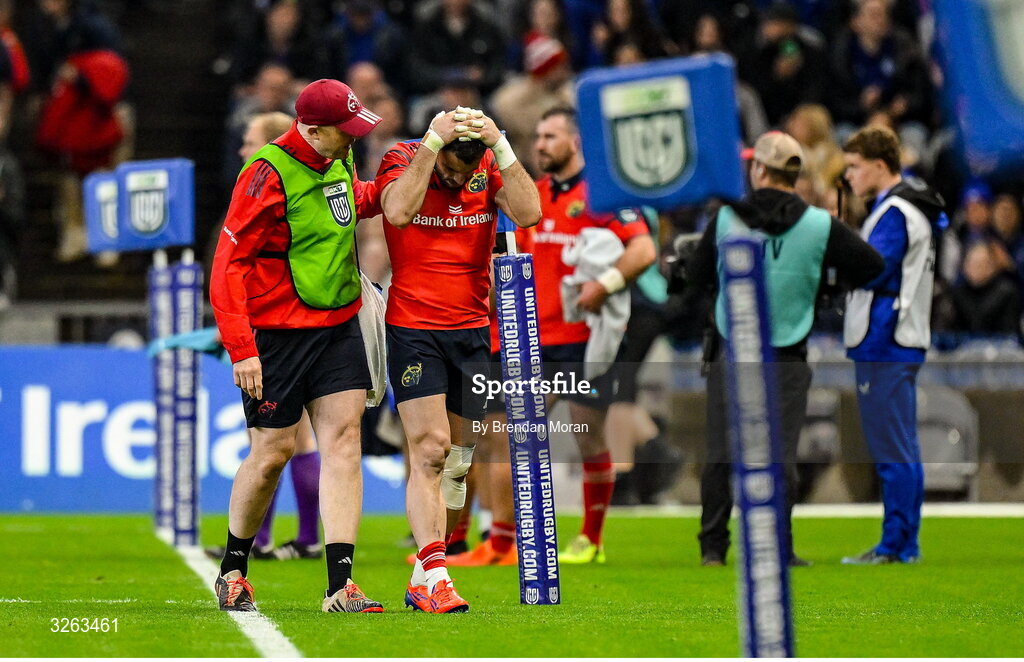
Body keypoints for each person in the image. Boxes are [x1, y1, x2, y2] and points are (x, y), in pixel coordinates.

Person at [451, 107, 656, 566]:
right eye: (538, 136)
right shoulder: (533, 196)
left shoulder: (604, 197)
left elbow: (643, 249)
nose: (540, 144)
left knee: (590, 439)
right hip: (528, 340)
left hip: (585, 339)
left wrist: (604, 285)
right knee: (504, 437)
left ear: (576, 142)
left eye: (551, 136)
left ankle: (590, 539)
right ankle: (502, 542)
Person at [209, 78, 385, 613]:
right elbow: (227, 266)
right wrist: (242, 348)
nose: (354, 138)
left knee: (345, 441)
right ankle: (234, 570)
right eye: (345, 130)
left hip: (337, 324)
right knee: (271, 455)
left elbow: (349, 203)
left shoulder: (339, 159)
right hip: (276, 334)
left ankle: (340, 584)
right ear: (310, 128)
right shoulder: (266, 173)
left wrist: (400, 183)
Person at [686, 130, 885, 568]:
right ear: (795, 176)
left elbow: (695, 276)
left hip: (732, 348)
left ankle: (714, 549)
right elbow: (873, 265)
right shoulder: (818, 223)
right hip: (787, 352)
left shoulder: (726, 218)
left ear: (759, 168)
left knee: (721, 453)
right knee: (780, 454)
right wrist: (827, 282)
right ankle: (778, 547)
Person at [376, 106, 541, 612]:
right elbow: (397, 212)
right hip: (413, 328)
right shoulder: (403, 159)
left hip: (471, 332)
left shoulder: (486, 168)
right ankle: (437, 574)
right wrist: (429, 148)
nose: (460, 176)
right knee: (429, 449)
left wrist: (501, 143)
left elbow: (530, 212)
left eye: (469, 168)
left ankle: (425, 574)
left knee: (459, 464)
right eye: (453, 165)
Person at [201, 111, 324, 563]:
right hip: (295, 324)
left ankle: (284, 539)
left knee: (274, 442)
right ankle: (289, 538)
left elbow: (238, 265)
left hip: (276, 327)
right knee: (286, 441)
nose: (242, 150)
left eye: (250, 141)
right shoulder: (277, 189)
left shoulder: (271, 189)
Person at [840, 125, 947, 565]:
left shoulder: (894, 213)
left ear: (879, 167)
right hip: (897, 339)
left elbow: (873, 269)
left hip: (885, 340)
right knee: (900, 445)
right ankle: (904, 542)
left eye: (854, 167)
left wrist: (838, 256)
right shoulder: (908, 209)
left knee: (892, 448)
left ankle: (895, 544)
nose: (848, 177)